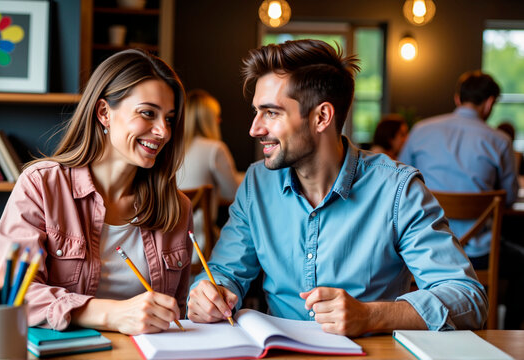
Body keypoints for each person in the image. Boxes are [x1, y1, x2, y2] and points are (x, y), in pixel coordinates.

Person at [187, 39, 487, 336]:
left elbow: (468, 298)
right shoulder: (257, 184)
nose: (255, 128)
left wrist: (370, 315)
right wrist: (211, 294)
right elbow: (224, 272)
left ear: (322, 117)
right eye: (257, 112)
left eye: (272, 113)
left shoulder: (397, 189)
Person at [0, 49, 193, 335]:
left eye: (170, 119)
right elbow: (19, 294)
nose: (163, 131)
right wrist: (111, 314)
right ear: (104, 113)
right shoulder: (41, 185)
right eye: (147, 113)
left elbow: (180, 313)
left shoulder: (177, 207)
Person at [399, 71, 519, 264]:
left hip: (425, 246)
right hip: (478, 255)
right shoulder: (500, 141)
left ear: (457, 99)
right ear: (489, 103)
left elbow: (401, 182)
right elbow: (509, 198)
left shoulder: (421, 129)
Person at [176, 89, 241, 261]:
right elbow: (234, 195)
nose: (219, 120)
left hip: (169, 244)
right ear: (208, 120)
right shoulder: (215, 149)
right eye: (216, 116)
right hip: (201, 245)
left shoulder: (171, 150)